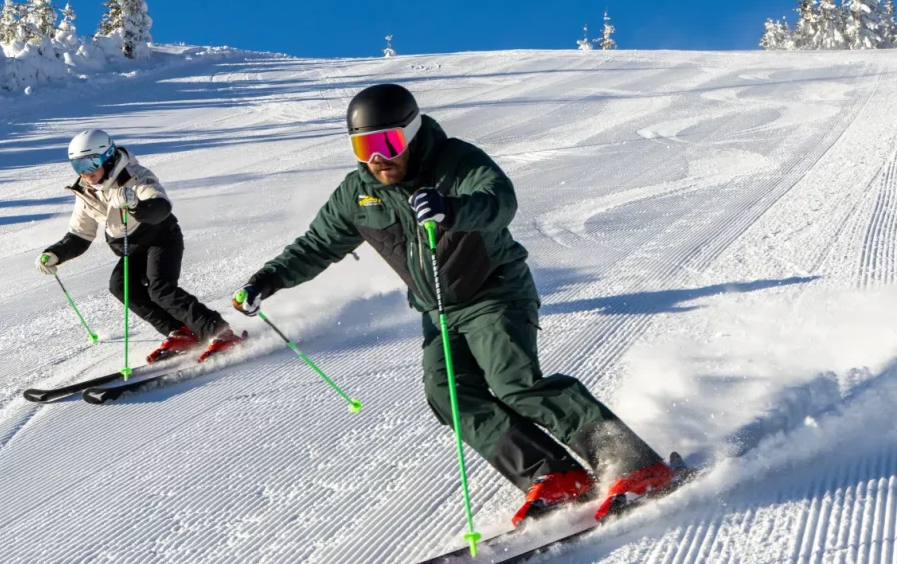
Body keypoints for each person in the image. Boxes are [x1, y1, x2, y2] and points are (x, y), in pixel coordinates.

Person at [232, 83, 673, 525]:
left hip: (495, 289)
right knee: (449, 395)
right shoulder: (358, 192)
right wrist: (266, 280)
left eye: (387, 142)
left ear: (412, 131)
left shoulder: (456, 161)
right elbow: (317, 244)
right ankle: (555, 476)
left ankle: (637, 465)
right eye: (363, 147)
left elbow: (500, 201)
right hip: (438, 309)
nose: (376, 158)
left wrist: (452, 207)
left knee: (513, 383)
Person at [37, 129, 242, 363]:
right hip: (131, 248)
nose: (85, 173)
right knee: (121, 286)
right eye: (77, 166)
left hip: (161, 237)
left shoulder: (135, 176)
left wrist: (136, 205)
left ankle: (219, 332)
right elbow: (80, 235)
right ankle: (180, 331)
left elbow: (161, 207)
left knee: (161, 289)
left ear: (108, 157)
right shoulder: (86, 192)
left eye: (90, 163)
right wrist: (55, 254)